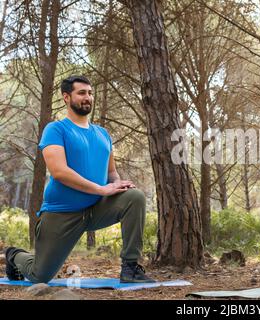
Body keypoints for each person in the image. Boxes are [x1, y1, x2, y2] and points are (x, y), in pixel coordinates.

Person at [4, 76, 155, 283]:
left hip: (95, 210)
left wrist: (118, 184)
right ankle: (14, 255)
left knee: (134, 197)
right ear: (66, 97)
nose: (88, 97)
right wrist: (102, 190)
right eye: (82, 93)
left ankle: (130, 268)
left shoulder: (103, 134)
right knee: (40, 276)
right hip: (62, 213)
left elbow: (111, 173)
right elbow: (59, 172)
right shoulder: (56, 130)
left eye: (90, 93)